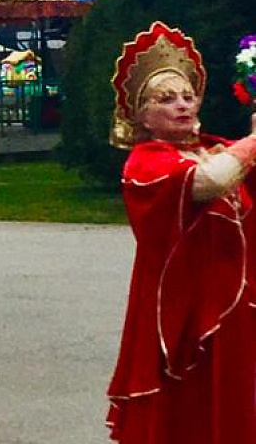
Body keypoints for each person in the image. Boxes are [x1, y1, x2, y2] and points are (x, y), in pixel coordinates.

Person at [105, 22, 256, 443]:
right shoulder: (146, 161)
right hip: (182, 317)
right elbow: (208, 182)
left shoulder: (218, 146)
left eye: (188, 96)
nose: (182, 105)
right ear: (141, 114)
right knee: (189, 414)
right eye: (166, 99)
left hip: (238, 314)